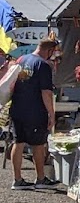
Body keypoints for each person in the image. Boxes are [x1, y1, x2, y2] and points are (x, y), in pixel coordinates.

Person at [11, 38, 61, 190]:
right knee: (38, 144)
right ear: (50, 50)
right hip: (34, 110)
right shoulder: (43, 65)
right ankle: (40, 178)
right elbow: (46, 92)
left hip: (17, 107)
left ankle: (17, 179)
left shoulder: (21, 60)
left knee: (18, 142)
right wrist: (51, 114)